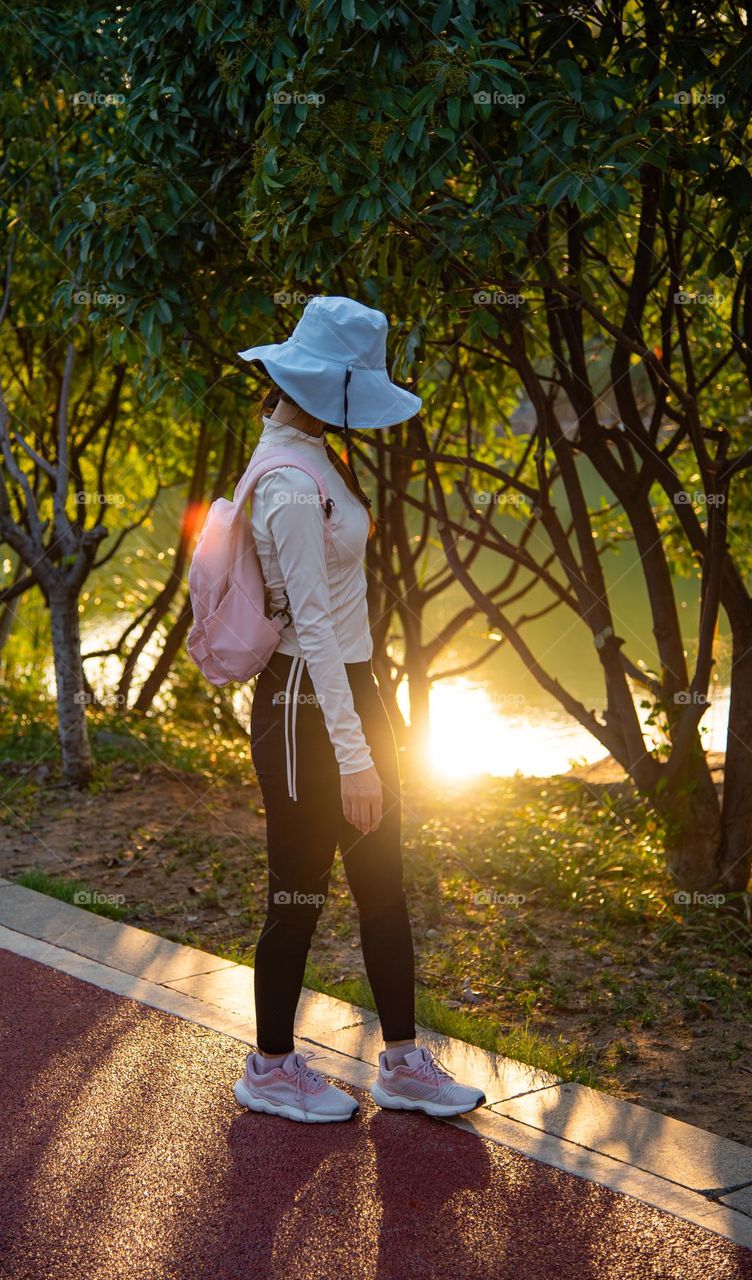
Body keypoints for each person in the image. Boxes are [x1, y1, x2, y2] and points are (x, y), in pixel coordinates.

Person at [232, 296, 485, 1123]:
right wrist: (356, 757)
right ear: (320, 385)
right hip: (310, 702)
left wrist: (371, 736)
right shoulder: (289, 487)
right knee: (298, 896)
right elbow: (308, 629)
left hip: (350, 690)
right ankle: (269, 1067)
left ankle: (404, 1063)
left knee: (383, 886)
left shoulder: (309, 451)